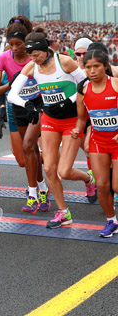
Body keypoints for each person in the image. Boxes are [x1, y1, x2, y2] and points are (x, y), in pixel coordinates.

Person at [7, 28, 93, 229]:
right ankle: (64, 212)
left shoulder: (65, 62)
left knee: (65, 170)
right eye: (30, 55)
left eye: (36, 54)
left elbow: (86, 84)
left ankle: (89, 180)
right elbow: (12, 94)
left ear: (45, 50)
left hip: (71, 120)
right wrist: (26, 104)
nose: (33, 59)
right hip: (49, 120)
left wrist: (68, 101)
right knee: (49, 168)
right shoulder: (31, 67)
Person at [0, 17, 49, 213]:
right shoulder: (3, 58)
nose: (15, 48)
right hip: (16, 106)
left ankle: (34, 193)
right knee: (24, 158)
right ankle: (42, 186)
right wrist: (11, 84)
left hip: (38, 104)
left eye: (19, 44)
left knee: (29, 146)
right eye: (11, 44)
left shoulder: (37, 56)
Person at [73, 50, 118, 237]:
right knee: (102, 185)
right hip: (98, 142)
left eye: (96, 66)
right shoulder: (83, 90)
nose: (92, 70)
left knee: (116, 186)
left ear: (105, 66)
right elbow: (82, 120)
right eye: (88, 67)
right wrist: (77, 130)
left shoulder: (115, 84)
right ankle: (111, 221)